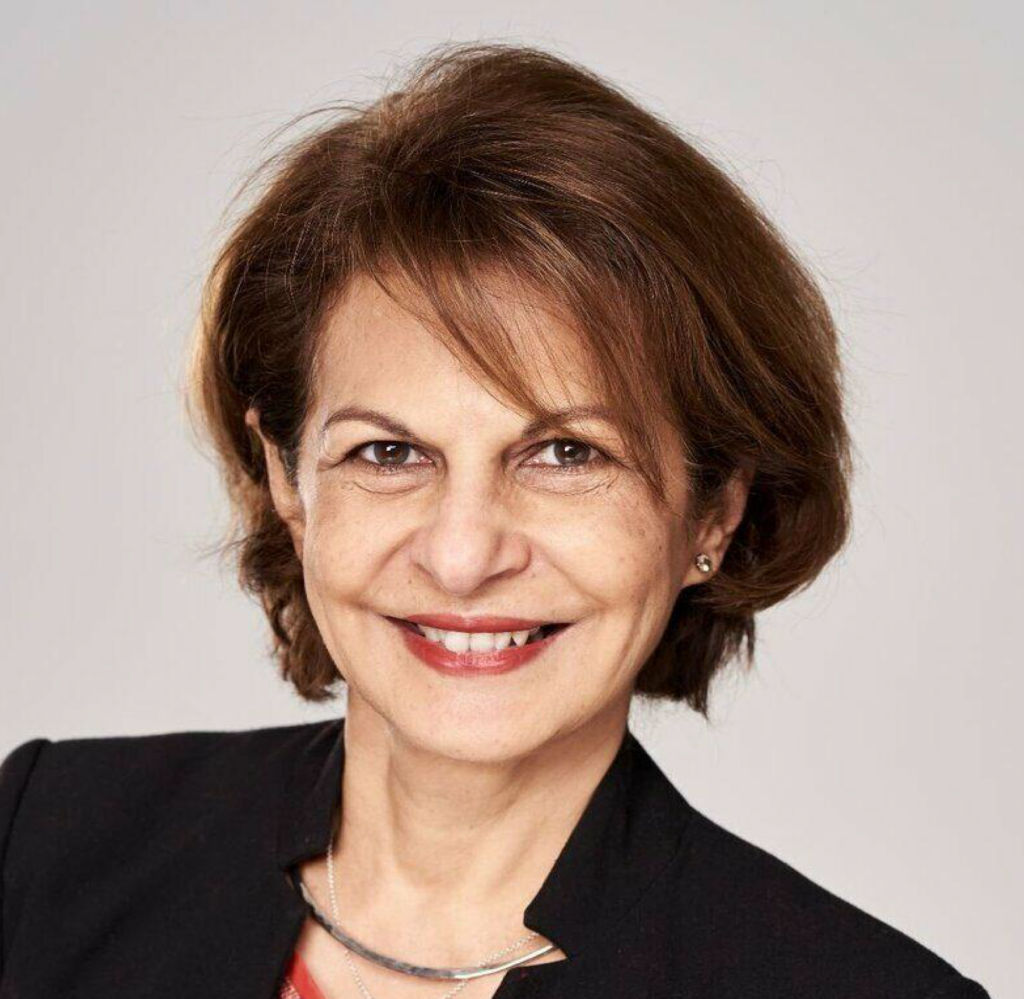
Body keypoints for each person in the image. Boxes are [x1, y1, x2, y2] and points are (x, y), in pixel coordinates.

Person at [0, 41, 990, 999]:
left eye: (568, 455)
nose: (463, 554)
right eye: (389, 453)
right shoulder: (42, 842)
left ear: (713, 513)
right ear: (287, 480)